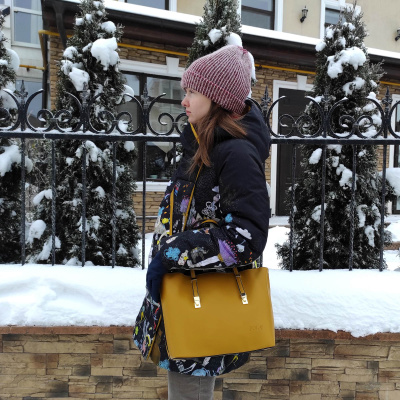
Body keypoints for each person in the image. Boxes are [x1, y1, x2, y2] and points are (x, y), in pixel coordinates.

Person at [133, 44, 271, 400]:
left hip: (202, 301)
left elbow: (245, 237)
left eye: (192, 92)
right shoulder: (203, 144)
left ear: (217, 98)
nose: (184, 100)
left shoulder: (235, 152)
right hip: (185, 294)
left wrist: (173, 253)